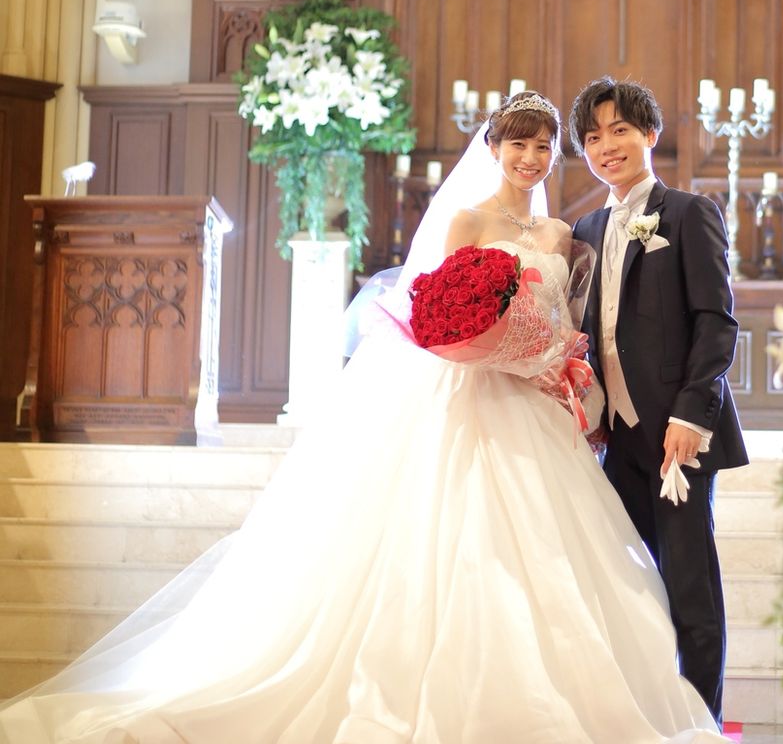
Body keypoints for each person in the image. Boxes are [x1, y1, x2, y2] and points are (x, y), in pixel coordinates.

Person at [0, 91, 728, 744]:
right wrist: (504, 350)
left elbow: (577, 325)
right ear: (493, 147)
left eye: (544, 146)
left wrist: (555, 363)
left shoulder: (567, 234)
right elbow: (440, 317)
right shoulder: (469, 220)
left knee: (592, 559)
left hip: (542, 412)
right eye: (519, 144)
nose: (531, 158)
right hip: (473, 401)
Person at [569, 77, 748, 725]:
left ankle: (702, 725)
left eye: (620, 130)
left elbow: (716, 324)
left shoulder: (689, 213)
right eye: (593, 137)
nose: (607, 146)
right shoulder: (585, 228)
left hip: (679, 439)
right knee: (626, 589)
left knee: (690, 591)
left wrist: (691, 414)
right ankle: (644, 717)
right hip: (618, 441)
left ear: (650, 134)